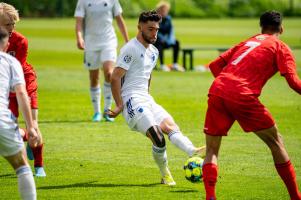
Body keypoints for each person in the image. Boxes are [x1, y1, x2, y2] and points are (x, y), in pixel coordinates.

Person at [202, 11, 301, 200]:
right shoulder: (280, 46)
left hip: (218, 89)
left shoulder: (247, 42)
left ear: (261, 26)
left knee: (212, 150)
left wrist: (228, 89)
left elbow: (215, 66)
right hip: (242, 94)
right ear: (281, 28)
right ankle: (296, 197)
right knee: (276, 142)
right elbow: (293, 82)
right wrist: (235, 92)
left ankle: (210, 197)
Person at [107, 10, 205, 186]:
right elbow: (115, 77)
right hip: (131, 100)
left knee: (170, 126)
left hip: (146, 98)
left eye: (157, 29)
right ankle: (165, 174)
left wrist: (148, 95)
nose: (154, 33)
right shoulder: (130, 49)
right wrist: (119, 105)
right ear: (140, 27)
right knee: (158, 138)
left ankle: (192, 150)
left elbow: (148, 74)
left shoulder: (153, 51)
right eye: (150, 29)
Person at [0, 2, 46, 177]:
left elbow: (15, 70)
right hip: (4, 85)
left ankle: (39, 167)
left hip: (23, 82)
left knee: (33, 124)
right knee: (8, 128)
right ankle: (27, 137)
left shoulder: (20, 41)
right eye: (7, 24)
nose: (11, 28)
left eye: (13, 24)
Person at [75, 0, 129, 122]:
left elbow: (119, 19)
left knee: (109, 73)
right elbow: (79, 22)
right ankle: (97, 112)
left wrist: (127, 40)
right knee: (94, 78)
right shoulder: (83, 1)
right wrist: (79, 38)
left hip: (108, 42)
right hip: (91, 43)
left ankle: (107, 110)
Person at [0, 27, 38, 200]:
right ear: (7, 44)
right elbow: (22, 94)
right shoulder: (10, 61)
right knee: (22, 166)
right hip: (2, 120)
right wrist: (31, 127)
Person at [154, 1, 182, 72]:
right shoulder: (155, 19)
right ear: (159, 10)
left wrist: (170, 40)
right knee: (160, 42)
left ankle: (175, 64)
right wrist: (163, 39)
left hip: (166, 40)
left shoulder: (168, 19)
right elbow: (156, 31)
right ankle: (162, 65)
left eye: (166, 10)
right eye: (162, 10)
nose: (164, 12)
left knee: (177, 42)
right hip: (156, 40)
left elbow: (171, 31)